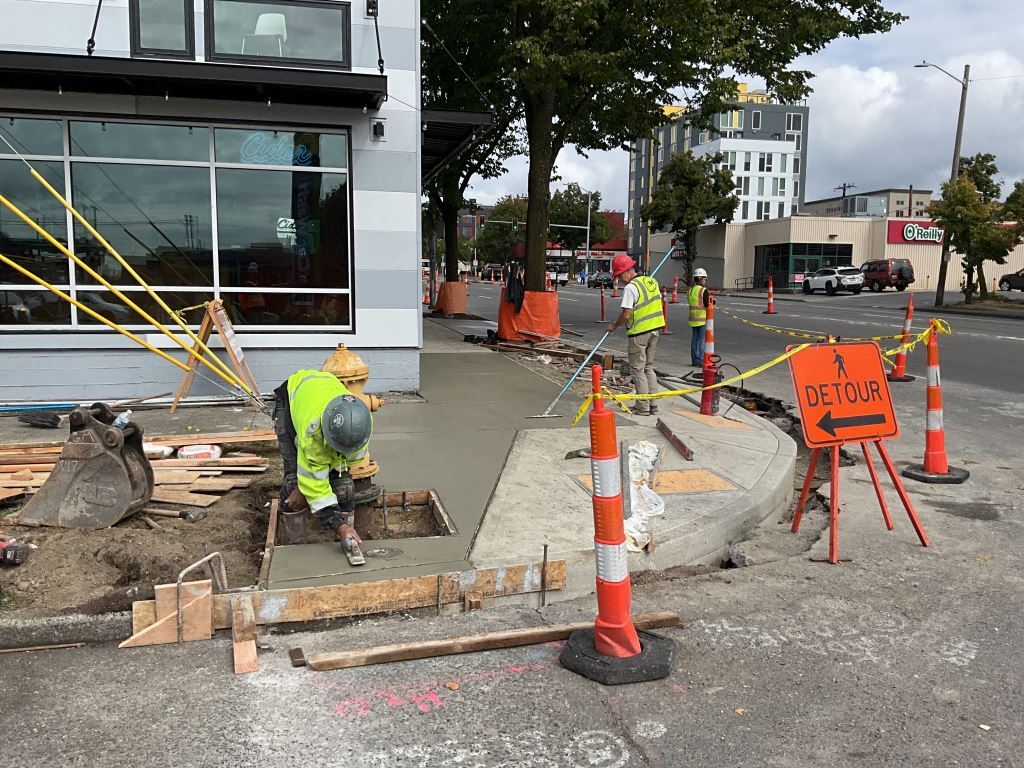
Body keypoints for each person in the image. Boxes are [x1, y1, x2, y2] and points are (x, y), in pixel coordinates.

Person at [272, 369, 372, 557]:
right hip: (292, 399)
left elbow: (341, 463)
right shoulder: (313, 436)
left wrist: (329, 479)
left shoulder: (361, 423)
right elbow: (315, 484)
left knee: (342, 486)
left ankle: (346, 538)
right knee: (294, 485)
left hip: (324, 389)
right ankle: (294, 548)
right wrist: (305, 487)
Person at [606, 254, 665, 416]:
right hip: (655, 330)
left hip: (639, 333)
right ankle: (652, 405)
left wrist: (614, 326)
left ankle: (643, 407)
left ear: (627, 271)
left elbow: (626, 314)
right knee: (649, 368)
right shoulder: (651, 281)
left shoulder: (631, 288)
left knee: (638, 371)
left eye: (619, 275)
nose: (619, 279)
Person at [688, 268, 713, 367]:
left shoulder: (690, 290)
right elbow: (707, 304)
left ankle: (694, 360)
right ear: (700, 279)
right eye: (704, 279)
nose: (705, 281)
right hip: (701, 319)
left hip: (692, 318)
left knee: (694, 339)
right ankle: (702, 360)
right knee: (702, 340)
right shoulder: (703, 290)